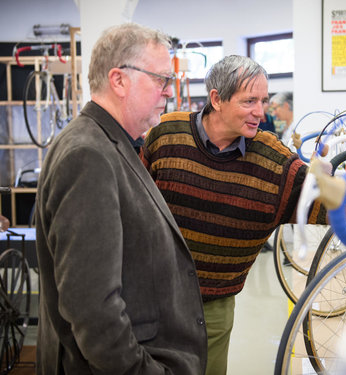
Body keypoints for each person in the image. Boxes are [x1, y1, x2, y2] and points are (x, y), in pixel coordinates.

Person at [140, 55, 346, 375]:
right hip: (150, 296)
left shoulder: (271, 158)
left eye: (264, 100)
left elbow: (327, 198)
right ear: (216, 99)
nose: (261, 111)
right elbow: (128, 200)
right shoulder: (166, 134)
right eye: (249, 101)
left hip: (212, 308)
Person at [35, 23, 207, 375]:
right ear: (119, 80)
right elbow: (92, 309)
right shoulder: (88, 156)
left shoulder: (111, 144)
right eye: (161, 80)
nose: (168, 93)